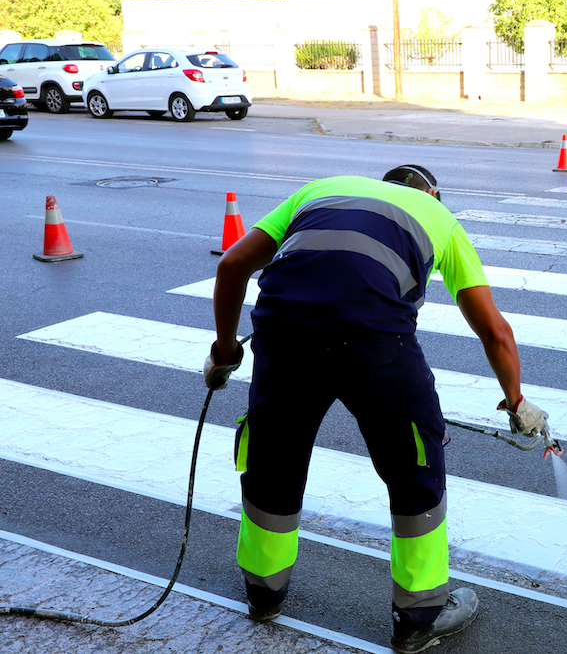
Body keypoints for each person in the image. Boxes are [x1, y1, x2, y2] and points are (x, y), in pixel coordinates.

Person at [204, 165, 549, 653]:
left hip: (284, 335)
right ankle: (417, 620)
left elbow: (232, 265)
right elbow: (494, 329)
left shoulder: (321, 189)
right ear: (432, 193)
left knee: (272, 463)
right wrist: (517, 403)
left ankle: (263, 594)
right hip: (377, 346)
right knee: (415, 472)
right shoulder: (438, 216)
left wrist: (224, 352)